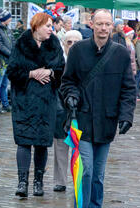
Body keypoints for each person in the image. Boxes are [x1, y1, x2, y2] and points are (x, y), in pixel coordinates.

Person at [60, 9, 136, 208]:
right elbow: (67, 82)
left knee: (99, 173)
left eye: (107, 24)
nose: (103, 28)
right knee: (86, 169)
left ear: (112, 27)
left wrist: (126, 116)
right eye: (100, 24)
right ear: (91, 24)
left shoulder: (121, 54)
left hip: (106, 121)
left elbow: (128, 89)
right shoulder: (78, 51)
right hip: (81, 119)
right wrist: (71, 96)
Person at [6, 12, 65, 199]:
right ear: (37, 26)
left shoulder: (54, 44)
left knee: (41, 143)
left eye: (51, 26)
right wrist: (31, 74)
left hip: (47, 101)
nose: (51, 29)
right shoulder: (22, 43)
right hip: (24, 100)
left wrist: (49, 71)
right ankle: (22, 181)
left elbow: (62, 69)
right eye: (47, 25)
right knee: (23, 141)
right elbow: (12, 71)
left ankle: (38, 182)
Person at [53, 30, 82, 193]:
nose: (72, 45)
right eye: (68, 42)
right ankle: (60, 181)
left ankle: (80, 179)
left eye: (75, 42)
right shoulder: (57, 63)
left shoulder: (85, 61)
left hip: (80, 109)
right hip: (60, 109)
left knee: (80, 146)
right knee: (60, 146)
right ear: (63, 44)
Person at [0, 8, 14, 114]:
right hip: (0, 61)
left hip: (8, 61)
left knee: (5, 85)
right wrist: (11, 53)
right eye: (9, 17)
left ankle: (6, 104)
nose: (10, 19)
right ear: (4, 18)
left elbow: (13, 41)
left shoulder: (7, 29)